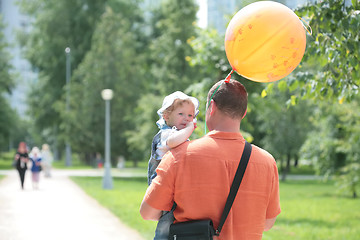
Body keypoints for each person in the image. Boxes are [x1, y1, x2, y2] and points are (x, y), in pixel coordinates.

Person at [140, 79, 281, 240]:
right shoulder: (267, 162)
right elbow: (267, 223)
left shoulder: (178, 156)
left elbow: (147, 212)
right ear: (244, 112)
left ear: (212, 107)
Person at [147, 91, 199, 240]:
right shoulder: (166, 134)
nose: (187, 119)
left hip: (176, 182)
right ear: (166, 116)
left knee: (176, 218)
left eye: (190, 116)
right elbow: (172, 142)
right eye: (181, 114)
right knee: (166, 222)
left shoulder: (180, 135)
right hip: (163, 182)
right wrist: (190, 129)